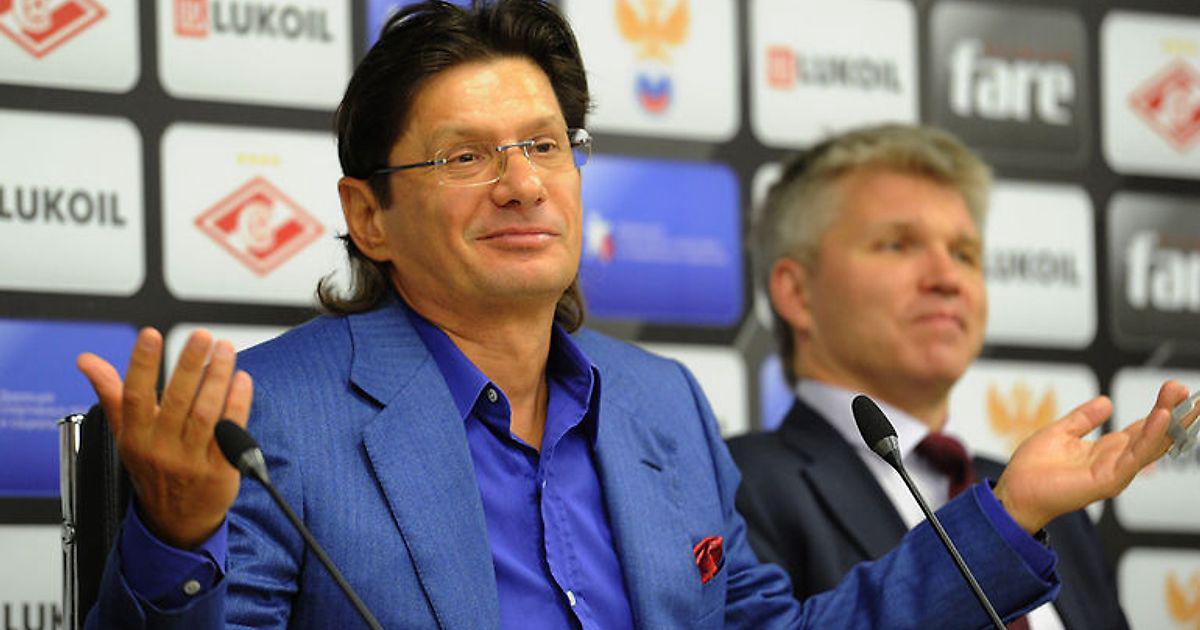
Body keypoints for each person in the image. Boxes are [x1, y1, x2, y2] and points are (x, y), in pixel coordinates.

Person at [76, 2, 1185, 628]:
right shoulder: (274, 414)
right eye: (466, 157)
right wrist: (177, 541)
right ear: (369, 216)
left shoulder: (661, 404)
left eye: (545, 145)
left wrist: (1009, 513)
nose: (523, 184)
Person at [729, 124, 1131, 629]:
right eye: (898, 245)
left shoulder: (1052, 508)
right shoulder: (734, 486)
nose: (947, 278)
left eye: (964, 253)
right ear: (797, 292)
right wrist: (1003, 522)